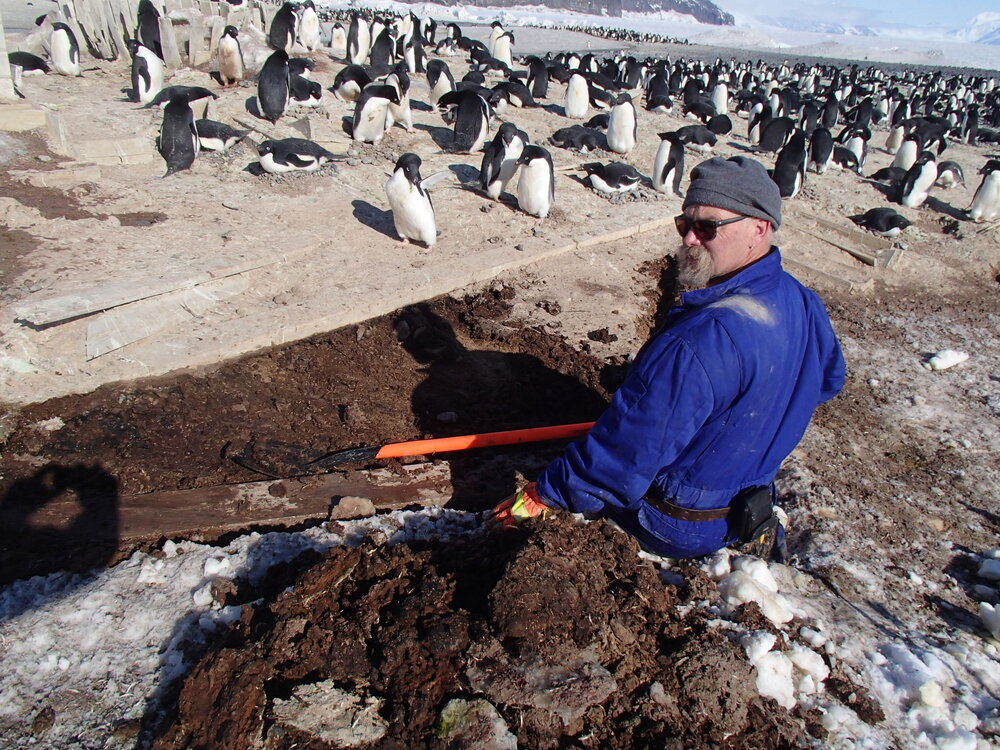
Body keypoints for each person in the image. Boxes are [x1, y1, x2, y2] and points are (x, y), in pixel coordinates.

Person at [493, 155, 846, 559]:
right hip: (750, 501)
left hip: (676, 523)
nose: (690, 239)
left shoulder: (700, 342)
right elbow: (828, 381)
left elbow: (626, 452)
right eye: (685, 225)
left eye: (707, 227)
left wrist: (546, 494)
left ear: (759, 228)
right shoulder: (802, 300)